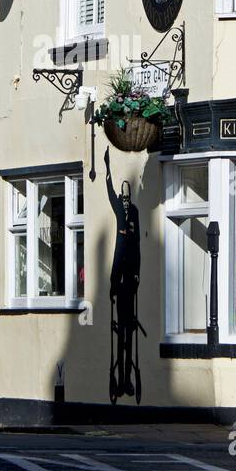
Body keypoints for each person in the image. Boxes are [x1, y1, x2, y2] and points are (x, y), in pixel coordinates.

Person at [105, 149, 143, 402]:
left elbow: (137, 243)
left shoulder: (135, 214)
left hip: (130, 278)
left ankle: (128, 379)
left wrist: (138, 273)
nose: (126, 200)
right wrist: (107, 170)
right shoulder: (119, 208)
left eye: (128, 196)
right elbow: (108, 193)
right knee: (120, 333)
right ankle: (119, 381)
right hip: (118, 278)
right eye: (123, 195)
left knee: (129, 331)